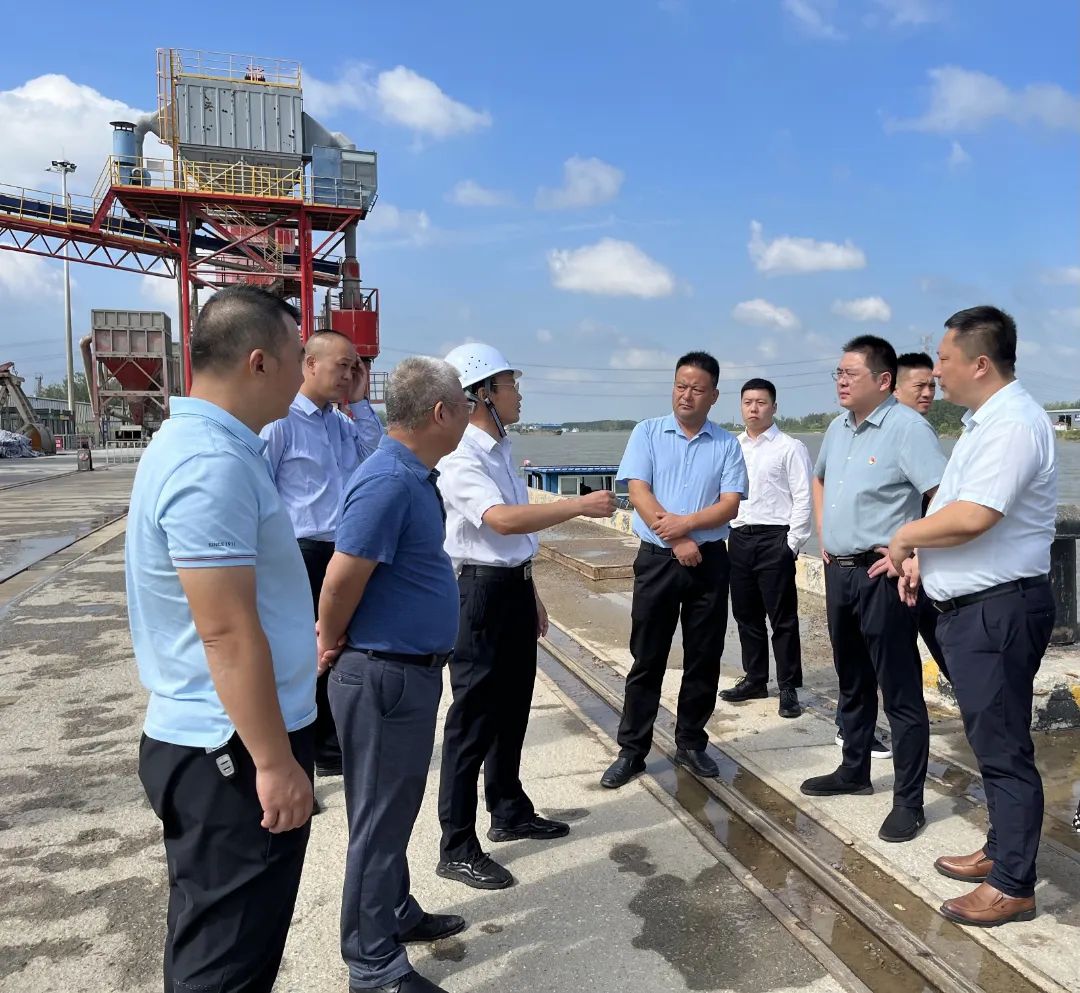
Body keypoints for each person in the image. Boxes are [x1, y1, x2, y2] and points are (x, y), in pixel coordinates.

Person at [127, 285, 315, 993]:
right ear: (259, 362)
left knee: (218, 939)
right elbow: (227, 632)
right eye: (298, 356)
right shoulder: (212, 463)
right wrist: (273, 760)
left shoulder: (206, 445)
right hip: (230, 750)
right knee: (226, 962)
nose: (303, 373)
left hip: (221, 740)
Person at [888, 306, 1056, 927]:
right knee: (991, 738)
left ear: (980, 363)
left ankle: (1014, 884)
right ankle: (1001, 849)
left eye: (944, 359)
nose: (937, 371)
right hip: (976, 608)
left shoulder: (1013, 424)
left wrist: (906, 537)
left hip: (998, 610)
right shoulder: (983, 423)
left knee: (1004, 746)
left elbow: (975, 516)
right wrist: (922, 559)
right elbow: (956, 508)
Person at [435, 343, 617, 890]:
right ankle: (456, 845)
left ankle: (509, 809)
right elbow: (502, 520)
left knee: (512, 708)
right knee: (472, 720)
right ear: (481, 393)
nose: (518, 394)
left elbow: (515, 543)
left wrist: (531, 590)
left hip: (512, 588)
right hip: (479, 595)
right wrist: (578, 505)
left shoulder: (501, 450)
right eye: (510, 384)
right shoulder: (460, 456)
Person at [317, 356, 472, 993]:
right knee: (379, 822)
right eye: (465, 403)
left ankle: (395, 910)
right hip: (384, 675)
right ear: (440, 412)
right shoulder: (387, 480)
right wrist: (329, 641)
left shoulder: (412, 476)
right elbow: (340, 579)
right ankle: (373, 965)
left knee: (391, 809)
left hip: (405, 672)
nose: (471, 414)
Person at [800, 335, 946, 845]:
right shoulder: (837, 428)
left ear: (883, 381)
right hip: (839, 572)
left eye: (850, 374)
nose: (840, 381)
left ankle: (909, 801)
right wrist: (824, 531)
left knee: (899, 691)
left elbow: (942, 495)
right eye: (838, 373)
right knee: (852, 679)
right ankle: (854, 769)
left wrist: (915, 551)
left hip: (881, 576)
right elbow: (820, 480)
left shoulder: (908, 428)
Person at [601, 352, 749, 790]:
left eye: (697, 389)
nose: (686, 395)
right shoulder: (647, 432)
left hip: (709, 562)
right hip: (657, 560)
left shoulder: (726, 444)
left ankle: (691, 742)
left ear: (713, 395)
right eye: (680, 386)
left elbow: (730, 503)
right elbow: (638, 491)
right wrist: (677, 538)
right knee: (647, 657)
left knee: (704, 656)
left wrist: (687, 526)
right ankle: (632, 751)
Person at [261, 330, 384, 781]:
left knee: (341, 647)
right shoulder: (281, 423)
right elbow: (260, 490)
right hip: (303, 552)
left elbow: (376, 455)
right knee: (303, 655)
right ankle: (298, 762)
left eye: (354, 367)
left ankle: (331, 747)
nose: (349, 374)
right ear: (310, 364)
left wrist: (362, 402)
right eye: (341, 366)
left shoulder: (341, 422)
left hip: (344, 549)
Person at [721, 378, 813, 718]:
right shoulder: (733, 446)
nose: (754, 408)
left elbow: (803, 498)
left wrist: (792, 544)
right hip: (739, 537)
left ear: (774, 407)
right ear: (741, 406)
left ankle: (788, 687)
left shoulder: (790, 447)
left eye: (761, 402)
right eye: (748, 402)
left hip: (776, 538)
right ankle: (755, 679)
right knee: (746, 614)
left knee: (782, 618)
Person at [892, 351, 951, 685]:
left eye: (932, 386)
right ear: (894, 388)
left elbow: (941, 498)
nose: (928, 392)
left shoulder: (917, 429)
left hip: (918, 559)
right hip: (902, 561)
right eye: (919, 386)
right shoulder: (904, 430)